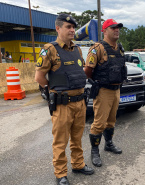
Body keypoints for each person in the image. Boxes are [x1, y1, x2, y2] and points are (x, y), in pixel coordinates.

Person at [35, 14, 94, 185]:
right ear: (58, 28)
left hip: (80, 102)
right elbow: (39, 77)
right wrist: (53, 89)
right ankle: (61, 173)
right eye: (68, 27)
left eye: (73, 27)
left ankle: (78, 164)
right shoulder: (49, 49)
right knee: (60, 141)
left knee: (77, 138)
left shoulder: (77, 49)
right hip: (62, 104)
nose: (72, 30)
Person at [84, 19, 126, 167]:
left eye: (118, 28)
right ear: (105, 30)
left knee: (111, 121)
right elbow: (88, 70)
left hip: (116, 90)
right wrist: (97, 82)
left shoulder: (119, 47)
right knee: (99, 123)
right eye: (113, 27)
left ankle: (108, 144)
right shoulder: (97, 48)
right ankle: (94, 151)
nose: (117, 30)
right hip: (103, 91)